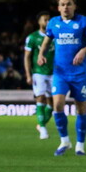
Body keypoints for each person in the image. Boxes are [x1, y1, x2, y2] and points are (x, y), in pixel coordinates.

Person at [38, 0, 86, 156]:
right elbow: (46, 41)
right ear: (58, 8)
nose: (66, 7)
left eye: (69, 4)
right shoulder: (53, 23)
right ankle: (64, 141)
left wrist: (84, 50)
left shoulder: (83, 21)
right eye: (63, 4)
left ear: (74, 6)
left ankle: (80, 145)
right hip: (60, 73)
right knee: (58, 105)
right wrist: (41, 54)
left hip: (79, 74)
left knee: (81, 108)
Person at [24, 10, 54, 140]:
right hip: (38, 72)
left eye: (49, 20)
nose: (47, 22)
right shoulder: (32, 37)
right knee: (40, 98)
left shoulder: (55, 37)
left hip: (53, 73)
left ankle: (40, 124)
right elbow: (27, 57)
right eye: (45, 20)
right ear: (39, 22)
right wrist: (28, 74)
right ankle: (43, 129)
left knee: (53, 104)